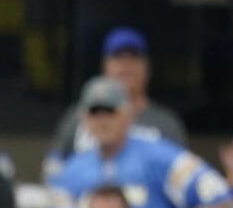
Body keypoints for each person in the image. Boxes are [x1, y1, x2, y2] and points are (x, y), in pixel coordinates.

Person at [52, 76, 232, 208]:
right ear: (83, 118)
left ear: (128, 114)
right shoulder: (70, 174)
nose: (102, 121)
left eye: (110, 111)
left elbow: (218, 197)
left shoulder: (161, 157)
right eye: (94, 113)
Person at [44, 27, 186, 179]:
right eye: (118, 59)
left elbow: (183, 176)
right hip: (87, 197)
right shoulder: (80, 114)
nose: (126, 67)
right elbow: (54, 167)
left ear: (148, 68)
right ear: (105, 66)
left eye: (134, 58)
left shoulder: (166, 123)